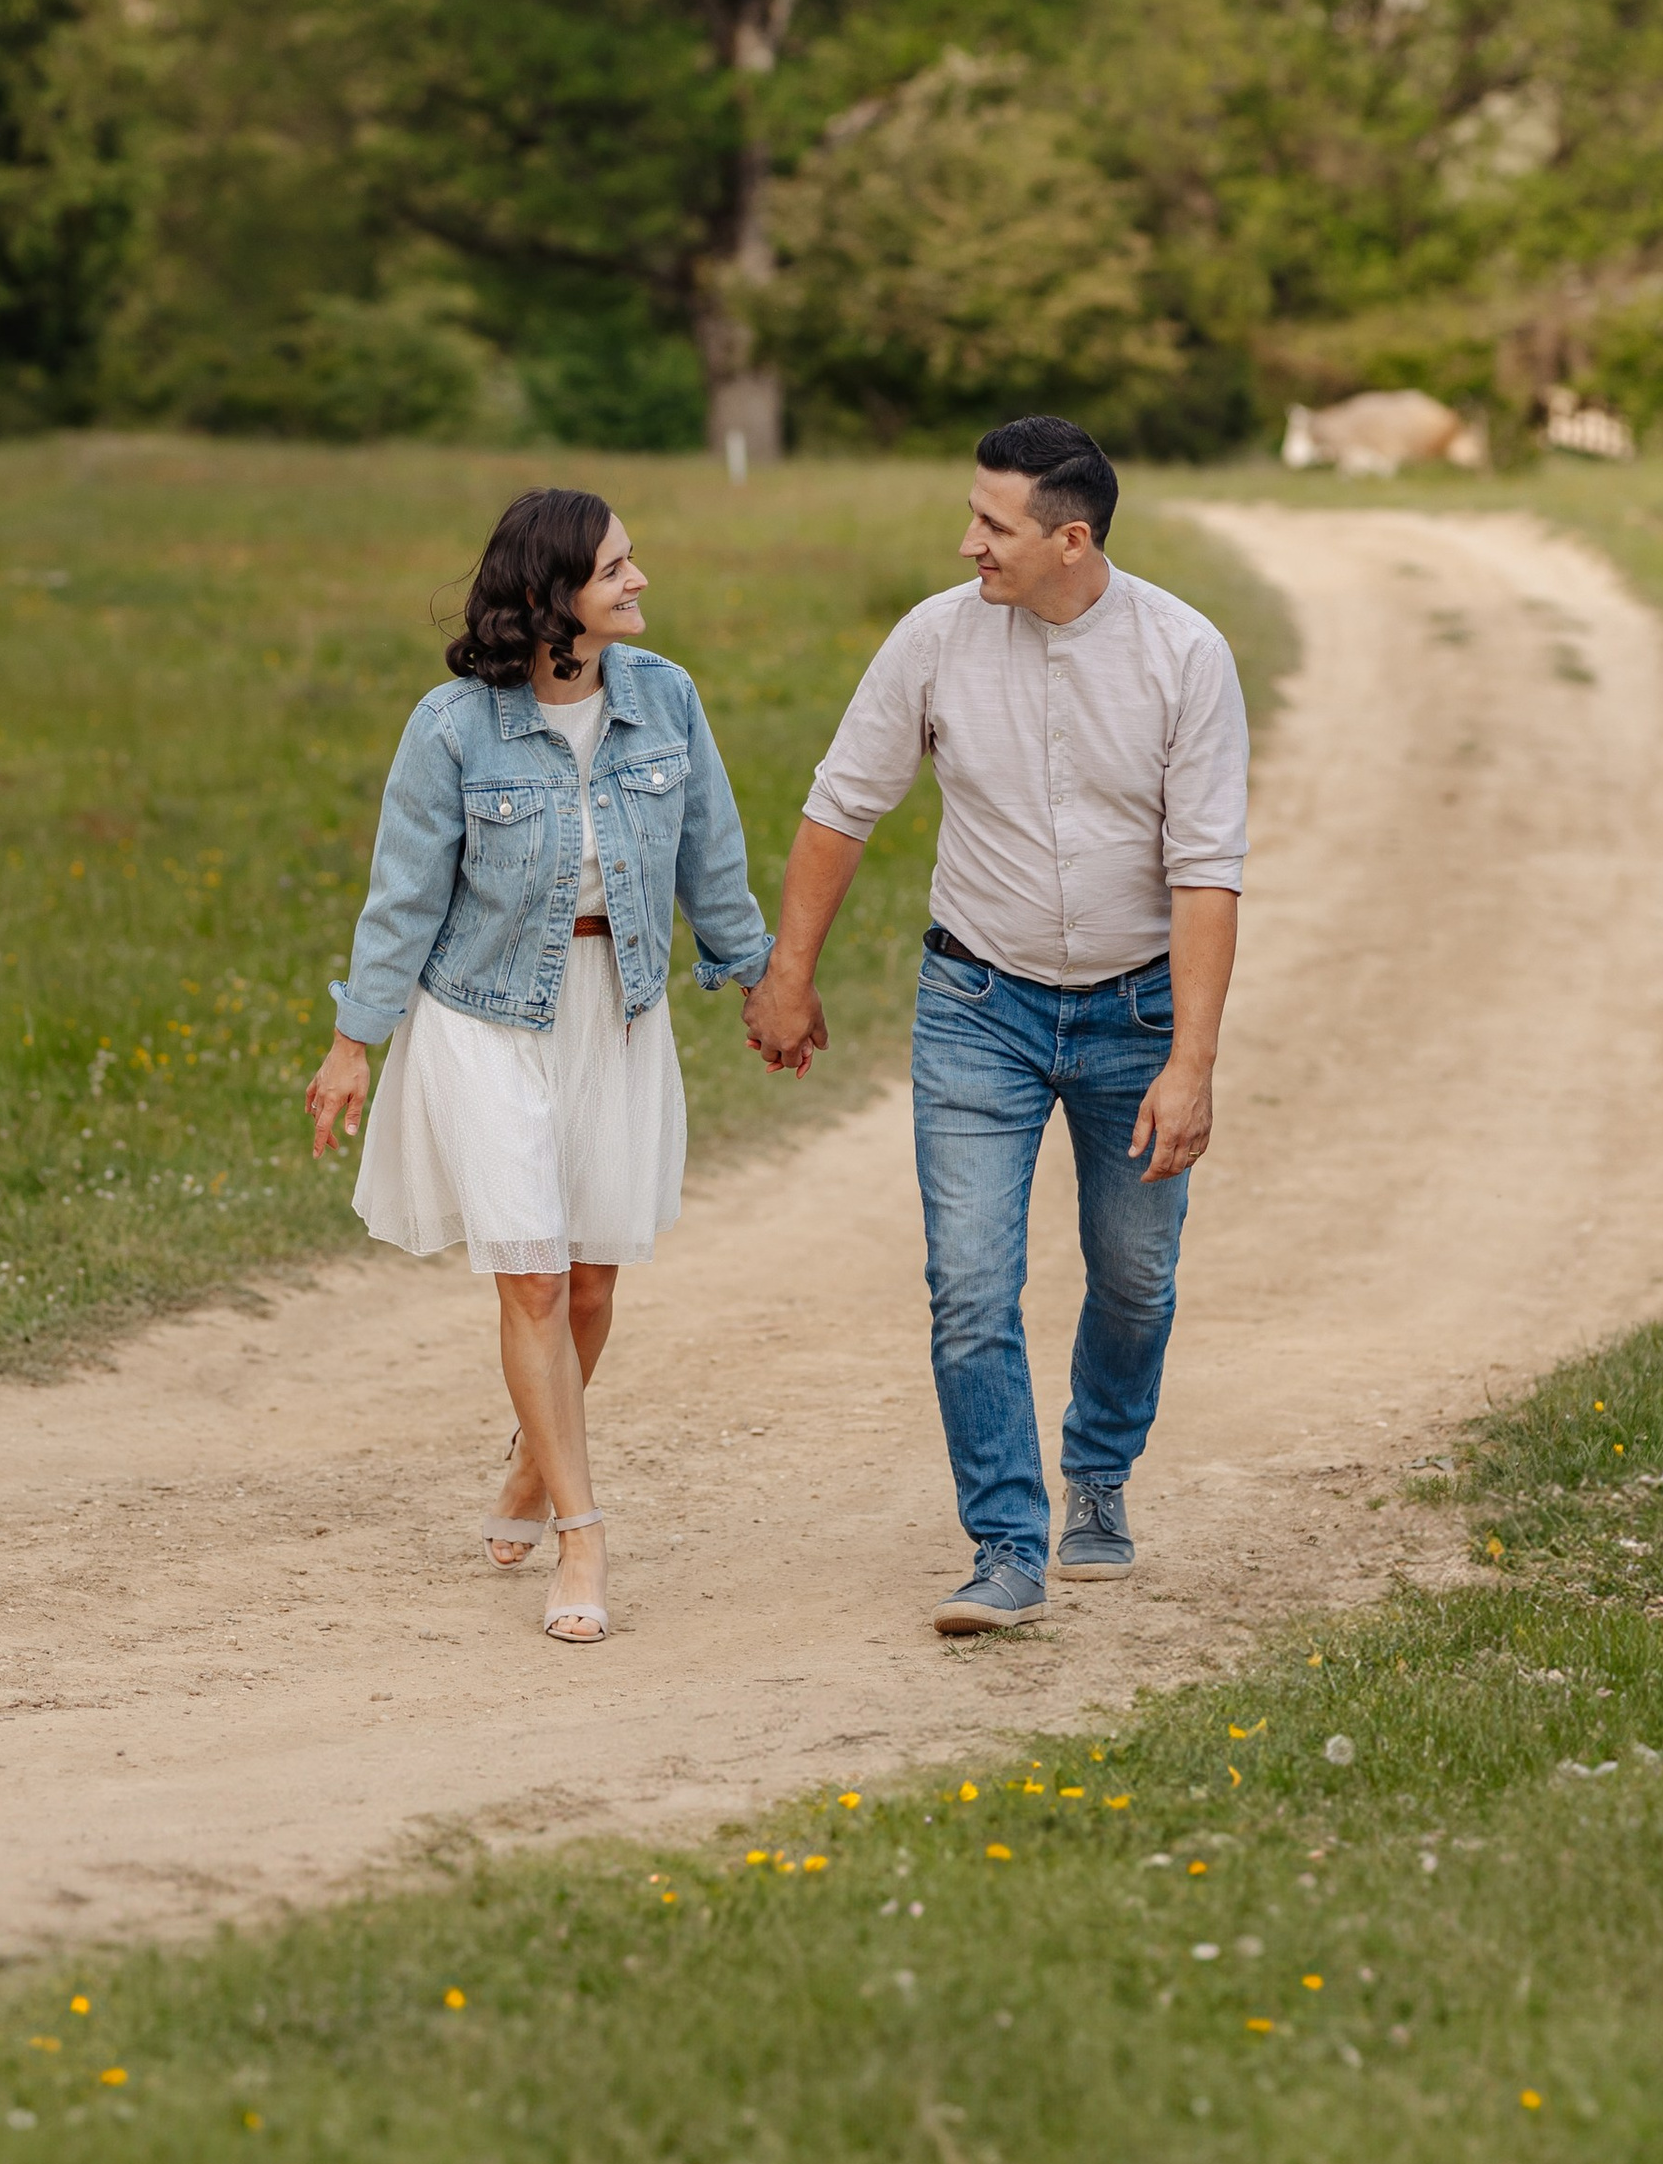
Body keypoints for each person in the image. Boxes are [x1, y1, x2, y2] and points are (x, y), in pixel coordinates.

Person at [743, 414, 1247, 1636]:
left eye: (993, 525)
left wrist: (1191, 1061)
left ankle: (1097, 1475)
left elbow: (1207, 872)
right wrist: (788, 973)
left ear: (1071, 540)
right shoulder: (933, 639)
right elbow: (840, 806)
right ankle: (1006, 1544)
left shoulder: (1184, 654)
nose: (968, 542)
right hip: (978, 1006)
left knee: (1134, 1277)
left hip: (1135, 1011)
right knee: (968, 1286)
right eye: (972, 515)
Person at [306, 487, 772, 1645]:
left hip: (615, 1012)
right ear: (550, 593)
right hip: (484, 1020)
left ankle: (527, 1470)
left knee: (594, 1282)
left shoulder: (665, 702)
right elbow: (402, 894)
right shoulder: (454, 726)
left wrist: (764, 979)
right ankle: (581, 1533)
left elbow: (712, 855)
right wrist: (351, 1043)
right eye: (617, 568)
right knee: (532, 1279)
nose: (639, 581)